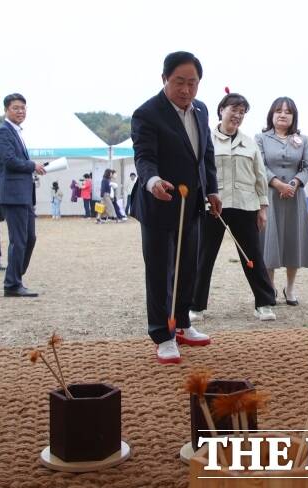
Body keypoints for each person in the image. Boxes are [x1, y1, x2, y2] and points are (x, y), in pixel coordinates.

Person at [131, 51, 221, 364]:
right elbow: (144, 156)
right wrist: (152, 180)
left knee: (187, 267)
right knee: (160, 271)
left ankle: (181, 323)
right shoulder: (147, 113)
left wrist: (212, 191)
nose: (185, 90)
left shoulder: (202, 110)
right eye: (179, 82)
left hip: (192, 204)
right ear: (164, 79)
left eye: (192, 83)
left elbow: (206, 154)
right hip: (159, 203)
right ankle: (162, 334)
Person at [190, 92, 276, 322]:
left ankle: (264, 303)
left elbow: (260, 177)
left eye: (242, 112)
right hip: (213, 206)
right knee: (204, 255)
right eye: (233, 110)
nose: (237, 115)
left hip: (245, 205)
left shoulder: (250, 143)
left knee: (253, 255)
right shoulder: (204, 138)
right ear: (221, 110)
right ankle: (196, 305)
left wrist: (262, 208)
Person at [256, 97, 308, 305]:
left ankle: (290, 288)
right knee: (270, 241)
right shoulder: (260, 138)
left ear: (293, 116)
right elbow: (260, 165)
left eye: (288, 112)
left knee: (293, 241)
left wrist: (295, 183)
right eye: (279, 110)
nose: (283, 114)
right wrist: (278, 185)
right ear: (272, 114)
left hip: (295, 198)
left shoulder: (302, 139)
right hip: (270, 196)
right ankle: (270, 288)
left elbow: (307, 167)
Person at [0, 93, 46, 297]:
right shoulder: (3, 132)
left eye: (23, 108)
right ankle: (12, 284)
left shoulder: (16, 133)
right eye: (16, 108)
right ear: (6, 109)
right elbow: (9, 161)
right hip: (12, 195)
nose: (20, 111)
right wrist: (32, 165)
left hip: (23, 194)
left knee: (29, 238)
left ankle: (15, 276)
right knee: (19, 240)